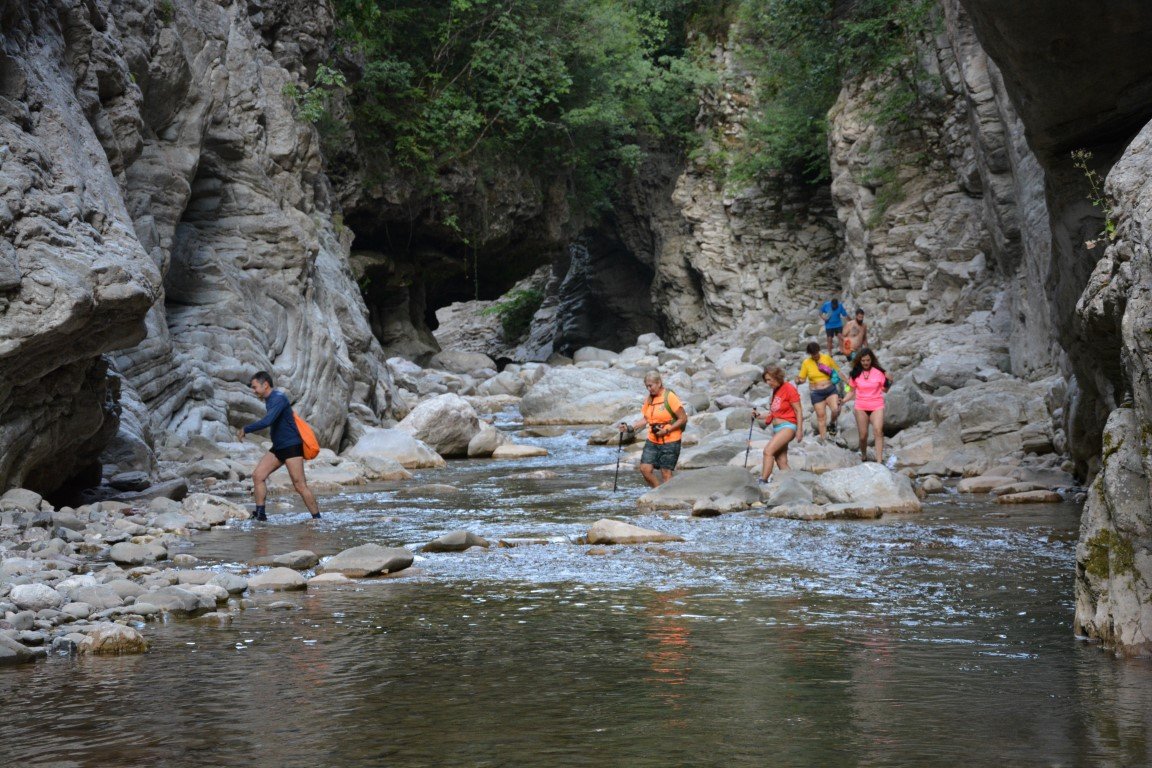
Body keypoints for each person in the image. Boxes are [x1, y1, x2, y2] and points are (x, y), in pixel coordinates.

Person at [237, 371, 321, 521]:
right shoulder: (269, 399)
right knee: (258, 476)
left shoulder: (278, 398)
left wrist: (246, 429)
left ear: (266, 385)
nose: (254, 390)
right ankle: (260, 515)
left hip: (291, 446)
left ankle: (317, 519)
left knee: (300, 485)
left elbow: (267, 421)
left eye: (255, 387)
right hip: (279, 447)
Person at [618, 371, 688, 488]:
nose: (649, 389)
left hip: (670, 440)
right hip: (653, 440)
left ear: (659, 383)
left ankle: (666, 497)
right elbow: (646, 419)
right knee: (645, 469)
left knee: (666, 473)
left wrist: (667, 430)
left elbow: (683, 418)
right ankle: (658, 491)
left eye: (651, 386)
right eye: (647, 387)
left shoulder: (670, 397)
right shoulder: (649, 399)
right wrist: (629, 428)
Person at [751, 366, 803, 485]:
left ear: (777, 377)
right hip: (777, 428)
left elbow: (798, 410)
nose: (768, 383)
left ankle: (763, 481)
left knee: (768, 451)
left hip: (788, 426)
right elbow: (774, 413)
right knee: (781, 461)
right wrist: (759, 415)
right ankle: (794, 485)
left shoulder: (789, 388)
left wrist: (800, 430)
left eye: (770, 380)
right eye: (766, 380)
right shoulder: (776, 390)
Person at [841, 348, 891, 465]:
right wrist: (843, 400)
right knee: (863, 436)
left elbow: (885, 390)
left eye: (868, 360)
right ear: (859, 361)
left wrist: (889, 381)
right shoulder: (855, 373)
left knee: (878, 431)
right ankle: (863, 455)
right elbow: (851, 391)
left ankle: (879, 461)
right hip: (861, 406)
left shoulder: (879, 373)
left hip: (877, 405)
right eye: (863, 361)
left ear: (871, 360)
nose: (866, 363)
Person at [796, 342, 843, 441]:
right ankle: (824, 440)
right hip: (816, 393)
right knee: (821, 417)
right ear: (810, 354)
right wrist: (799, 380)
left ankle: (832, 424)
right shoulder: (806, 363)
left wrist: (848, 383)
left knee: (835, 409)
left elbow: (837, 371)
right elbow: (803, 378)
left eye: (816, 353)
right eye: (813, 354)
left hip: (830, 389)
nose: (815, 355)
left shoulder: (826, 358)